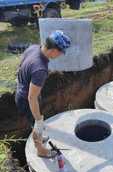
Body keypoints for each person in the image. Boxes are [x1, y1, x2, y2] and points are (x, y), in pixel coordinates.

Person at [15, 30, 71, 158]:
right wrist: (38, 119)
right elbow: (31, 97)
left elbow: (21, 65)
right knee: (37, 124)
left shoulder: (33, 48)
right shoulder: (40, 69)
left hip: (22, 90)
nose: (61, 55)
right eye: (61, 52)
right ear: (54, 50)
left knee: (37, 122)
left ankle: (39, 136)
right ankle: (40, 150)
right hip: (26, 99)